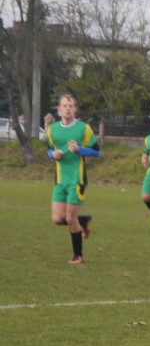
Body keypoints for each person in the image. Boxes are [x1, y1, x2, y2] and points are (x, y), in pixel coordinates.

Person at [45, 93, 100, 264]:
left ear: (75, 109)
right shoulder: (52, 129)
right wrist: (53, 155)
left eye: (71, 106)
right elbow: (49, 149)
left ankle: (78, 255)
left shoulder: (83, 129)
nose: (68, 109)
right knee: (57, 219)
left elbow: (96, 151)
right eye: (64, 106)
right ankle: (83, 220)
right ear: (59, 109)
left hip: (77, 180)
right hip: (60, 180)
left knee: (69, 218)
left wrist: (80, 150)